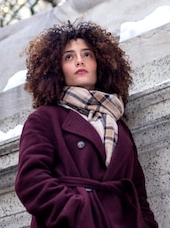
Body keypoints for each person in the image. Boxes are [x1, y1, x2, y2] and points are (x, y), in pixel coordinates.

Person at [15, 21, 158, 227]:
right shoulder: (45, 119)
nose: (80, 61)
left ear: (100, 62)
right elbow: (31, 181)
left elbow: (138, 192)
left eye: (87, 54)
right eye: (69, 57)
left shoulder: (118, 124)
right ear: (56, 68)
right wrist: (78, 210)